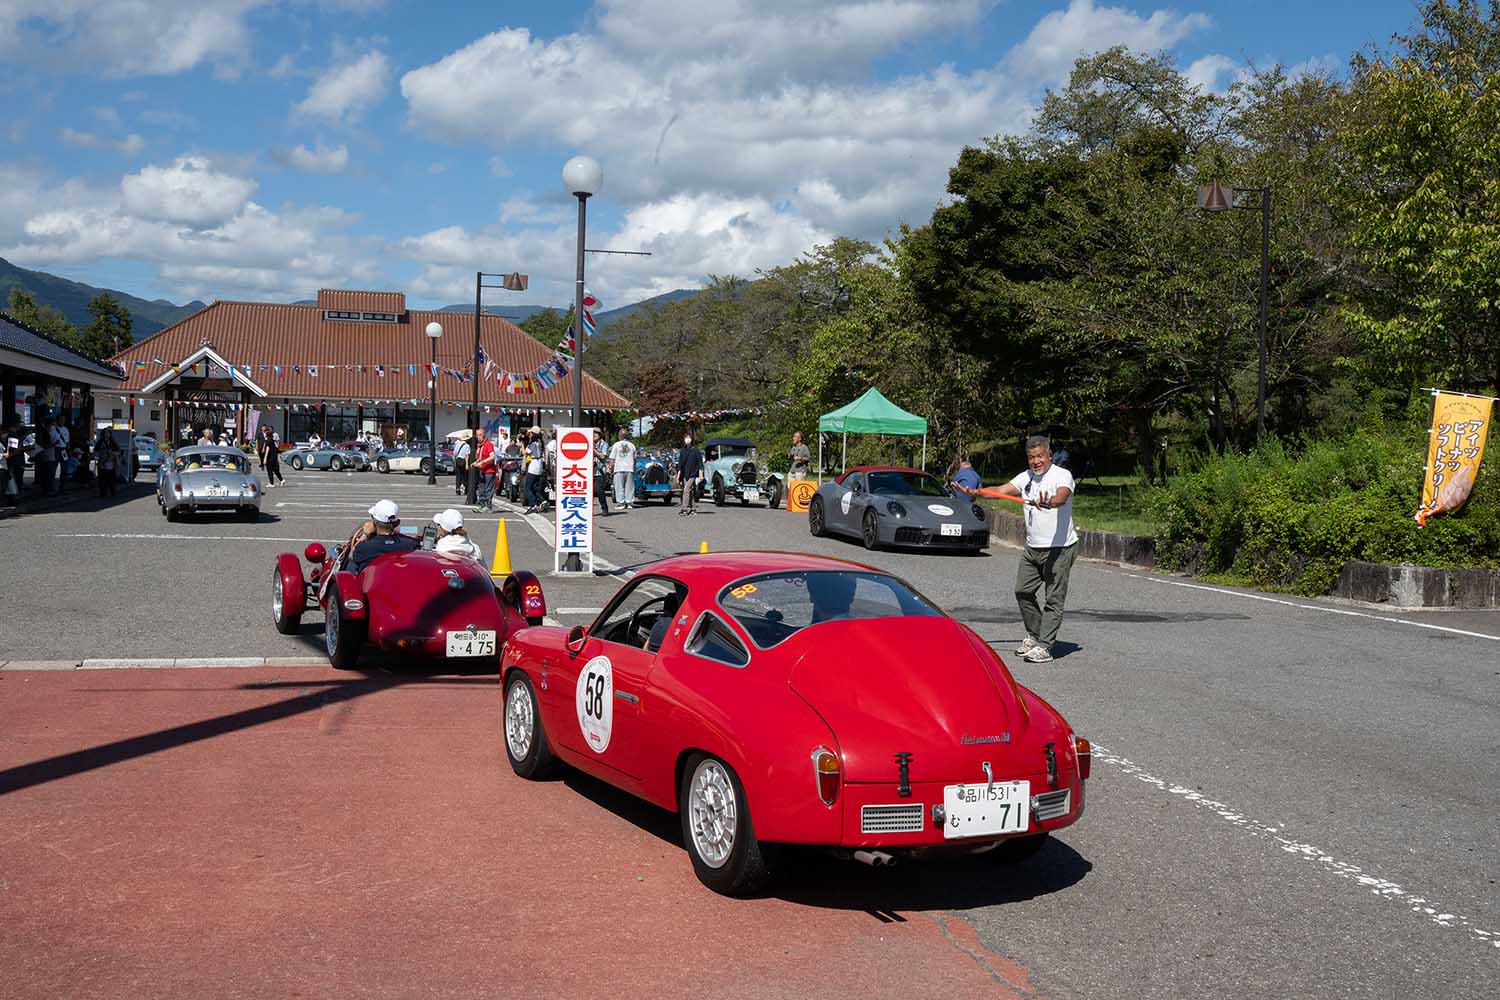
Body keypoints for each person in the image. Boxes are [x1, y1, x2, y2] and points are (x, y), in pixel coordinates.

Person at [991, 435, 1079, 663]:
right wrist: (976, 492)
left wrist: (1050, 501)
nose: (1036, 461)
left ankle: (1046, 646)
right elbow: (1001, 489)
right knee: (1023, 591)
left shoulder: (1062, 475)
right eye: (1031, 457)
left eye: (1040, 456)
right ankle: (1035, 635)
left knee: (1053, 599)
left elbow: (1061, 496)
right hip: (1033, 548)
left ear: (1049, 455)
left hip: (1059, 548)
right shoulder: (1026, 477)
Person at [347, 500, 419, 573]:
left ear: (374, 521)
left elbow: (351, 556)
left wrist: (365, 534)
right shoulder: (410, 544)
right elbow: (417, 531)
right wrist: (400, 530)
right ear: (397, 523)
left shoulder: (365, 546)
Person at [677, 433, 704, 516]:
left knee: (686, 490)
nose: (687, 439)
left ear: (692, 439)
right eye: (686, 438)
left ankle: (684, 509)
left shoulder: (695, 450)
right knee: (689, 491)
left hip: (693, 473)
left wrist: (701, 474)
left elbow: (700, 463)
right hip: (685, 474)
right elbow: (680, 465)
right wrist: (678, 476)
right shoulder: (682, 451)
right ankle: (693, 509)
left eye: (689, 438)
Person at [609, 428, 637, 509]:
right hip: (629, 468)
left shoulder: (616, 445)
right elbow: (635, 459)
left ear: (619, 436)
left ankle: (621, 503)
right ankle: (629, 503)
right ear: (627, 436)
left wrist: (610, 468)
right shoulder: (632, 445)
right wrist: (634, 468)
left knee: (619, 487)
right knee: (629, 487)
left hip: (619, 468)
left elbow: (612, 458)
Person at [470, 428, 496, 512]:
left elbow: (492, 457)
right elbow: (480, 457)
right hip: (482, 470)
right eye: (477, 435)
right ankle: (482, 505)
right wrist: (475, 462)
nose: (477, 437)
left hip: (489, 471)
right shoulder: (480, 446)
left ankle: (488, 506)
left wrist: (482, 462)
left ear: (483, 435)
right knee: (481, 488)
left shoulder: (488, 444)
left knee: (488, 489)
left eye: (479, 435)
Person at [522, 429, 545, 513]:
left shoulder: (532, 444)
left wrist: (522, 444)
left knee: (527, 487)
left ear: (534, 434)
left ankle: (533, 505)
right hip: (539, 465)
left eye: (530, 433)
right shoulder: (540, 443)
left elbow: (524, 452)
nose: (529, 435)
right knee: (534, 487)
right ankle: (543, 501)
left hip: (534, 465)